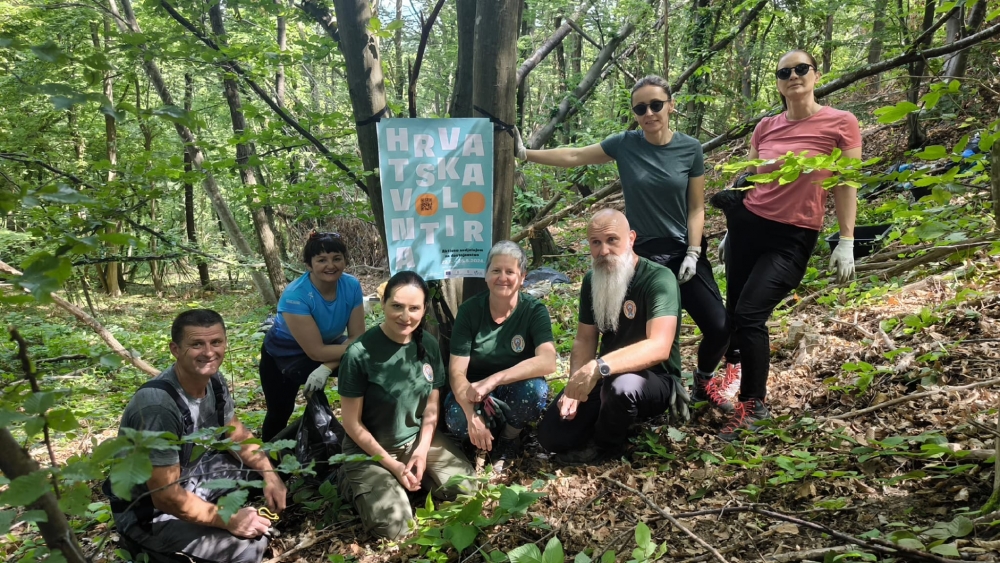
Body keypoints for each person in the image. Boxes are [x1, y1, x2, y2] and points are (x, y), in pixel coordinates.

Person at [514, 75, 738, 413]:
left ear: (671, 106)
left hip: (682, 250)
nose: (649, 113)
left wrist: (694, 251)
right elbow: (575, 155)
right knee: (635, 331)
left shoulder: (690, 148)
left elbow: (695, 206)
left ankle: (703, 381)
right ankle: (645, 393)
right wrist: (526, 154)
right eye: (640, 108)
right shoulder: (625, 144)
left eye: (656, 105)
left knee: (719, 326)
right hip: (641, 253)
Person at [718, 49, 860, 441]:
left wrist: (846, 239)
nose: (793, 76)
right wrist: (731, 227)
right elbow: (748, 176)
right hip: (747, 227)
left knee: (750, 314)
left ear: (816, 75)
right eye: (785, 72)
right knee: (734, 315)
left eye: (801, 69)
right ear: (778, 83)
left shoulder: (841, 123)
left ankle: (753, 407)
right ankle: (728, 382)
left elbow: (846, 182)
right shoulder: (765, 126)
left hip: (792, 236)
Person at [107, 309, 287, 563]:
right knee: (246, 549)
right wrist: (229, 519)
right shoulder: (158, 407)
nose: (209, 352)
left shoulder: (213, 380)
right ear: (175, 349)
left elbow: (236, 434)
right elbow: (165, 496)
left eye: (216, 342)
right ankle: (148, 546)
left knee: (276, 457)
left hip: (192, 477)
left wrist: (270, 475)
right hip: (149, 512)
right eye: (197, 344)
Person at [536, 210, 691, 463]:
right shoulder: (592, 280)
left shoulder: (658, 278)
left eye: (612, 240)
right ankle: (608, 420)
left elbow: (659, 346)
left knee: (623, 388)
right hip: (605, 375)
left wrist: (597, 367)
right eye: (596, 243)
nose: (603, 250)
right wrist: (575, 384)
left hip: (655, 379)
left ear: (631, 239)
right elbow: (585, 339)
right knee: (552, 435)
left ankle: (606, 447)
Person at [337, 271, 474, 540]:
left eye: (414, 308)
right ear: (383, 303)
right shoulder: (359, 354)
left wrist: (421, 451)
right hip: (370, 452)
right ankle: (349, 479)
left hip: (414, 441)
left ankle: (413, 478)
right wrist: (392, 465)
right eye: (397, 306)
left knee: (467, 490)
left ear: (424, 309)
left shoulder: (428, 345)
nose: (405, 316)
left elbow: (431, 409)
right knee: (396, 529)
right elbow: (352, 423)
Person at [444, 240, 557, 472]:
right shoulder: (469, 311)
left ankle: (509, 438)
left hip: (513, 390)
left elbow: (548, 361)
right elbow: (456, 372)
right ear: (486, 275)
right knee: (457, 418)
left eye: (510, 272)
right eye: (496, 270)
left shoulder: (533, 311)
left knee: (534, 391)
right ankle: (479, 440)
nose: (502, 278)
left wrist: (494, 379)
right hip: (474, 392)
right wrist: (471, 415)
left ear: (522, 277)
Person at [258, 231, 365, 442]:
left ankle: (362, 434)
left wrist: (327, 367)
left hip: (329, 346)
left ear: (345, 260)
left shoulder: (351, 285)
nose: (330, 265)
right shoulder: (296, 295)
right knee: (280, 412)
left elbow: (358, 337)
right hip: (283, 354)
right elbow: (316, 352)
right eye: (321, 260)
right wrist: (352, 350)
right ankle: (267, 457)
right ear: (309, 265)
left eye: (336, 258)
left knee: (366, 367)